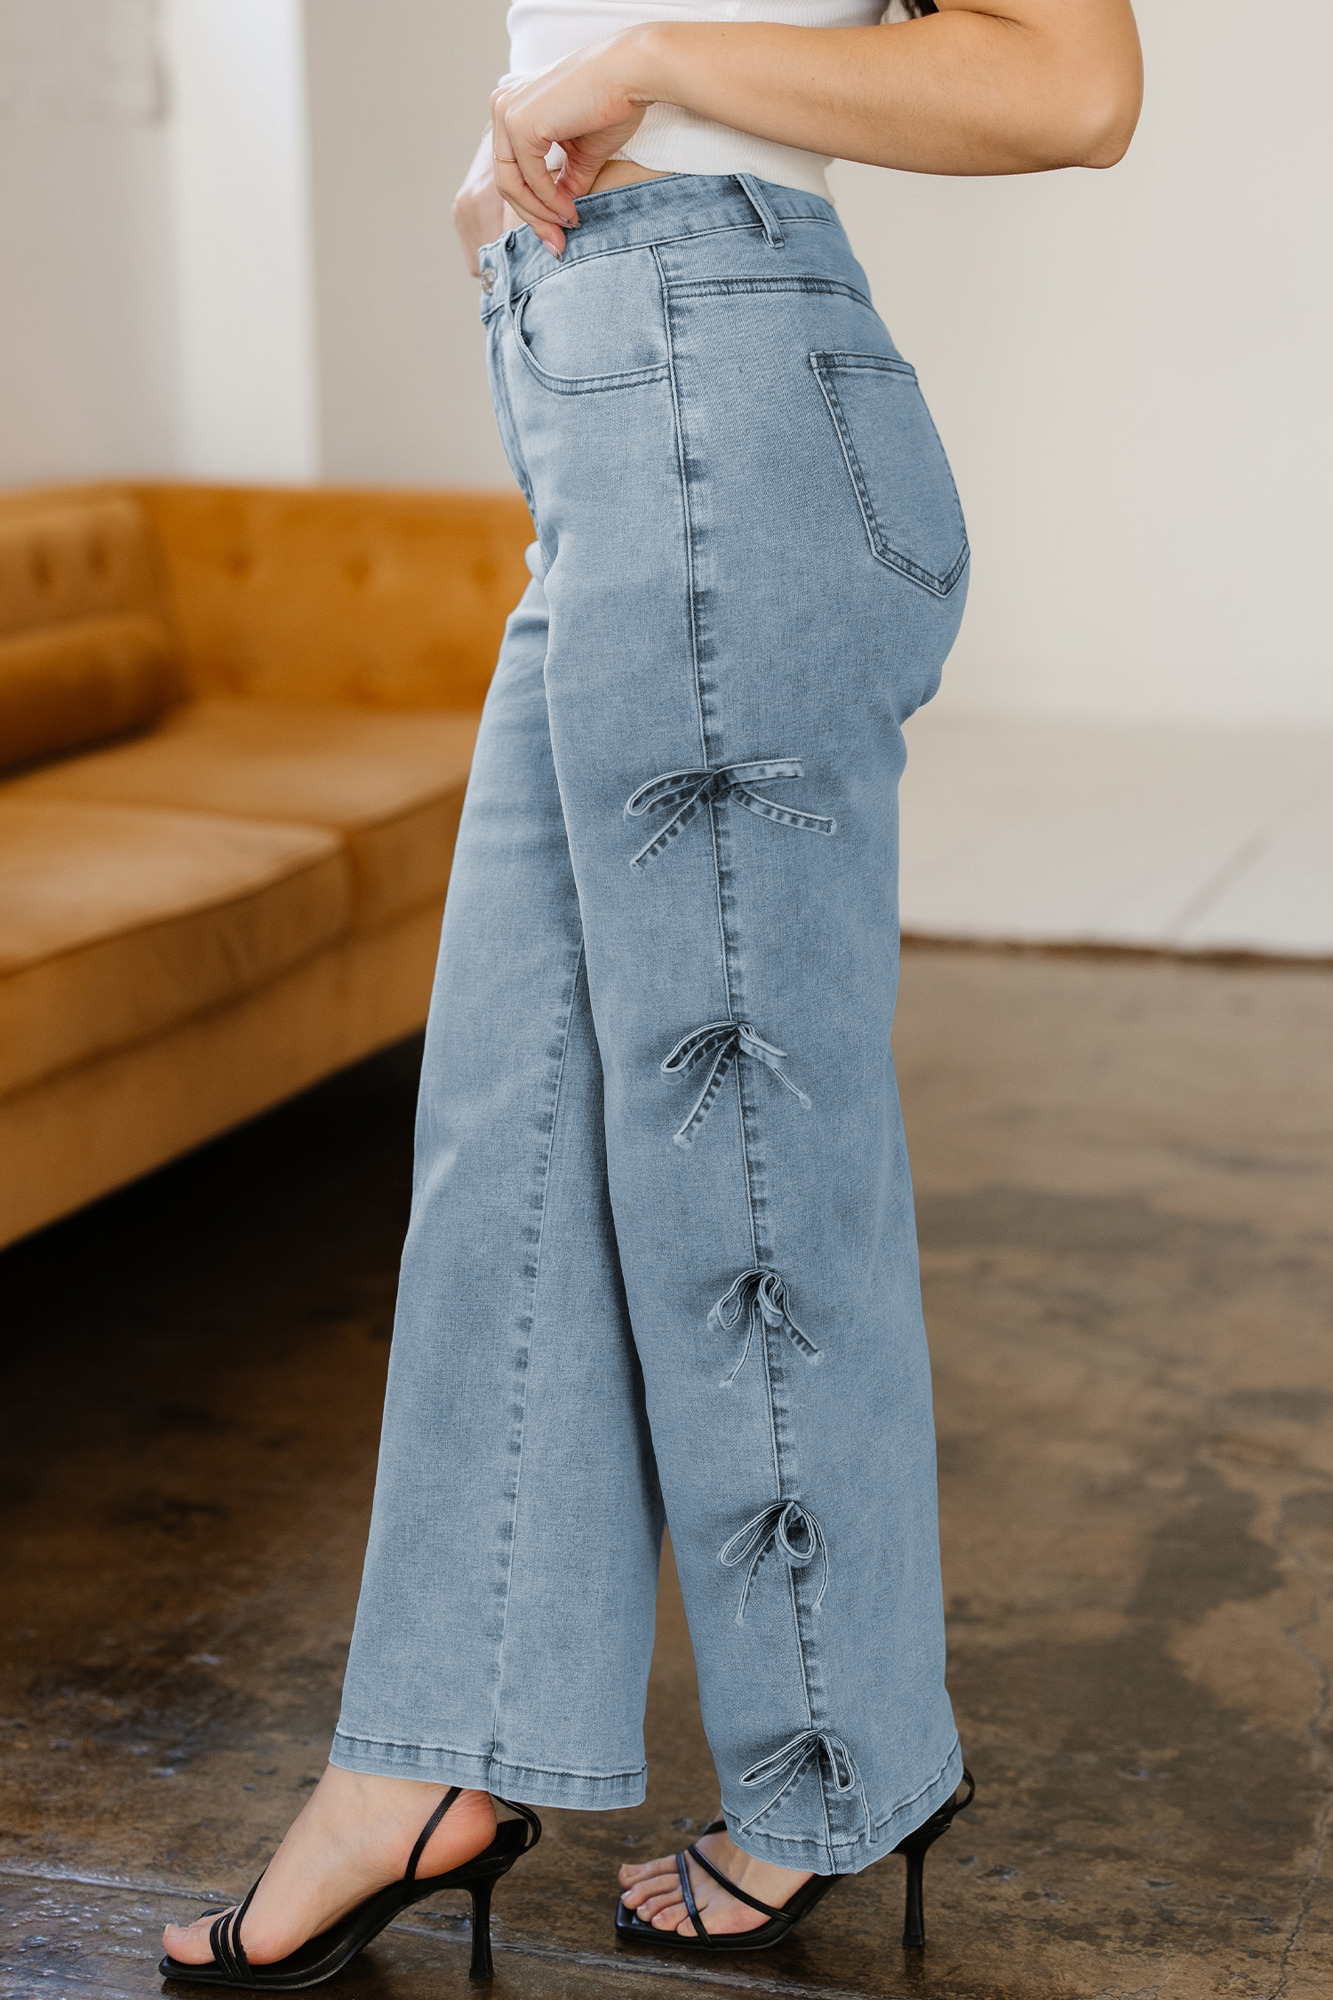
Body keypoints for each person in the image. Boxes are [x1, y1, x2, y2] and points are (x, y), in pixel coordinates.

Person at [161, 0, 1141, 1983]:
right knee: (507, 1134)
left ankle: (836, 1767)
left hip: (716, 390)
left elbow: (1074, 82)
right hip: (612, 385)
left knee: (746, 1172)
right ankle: (424, 1757)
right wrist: (520, 160)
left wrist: (646, 68)